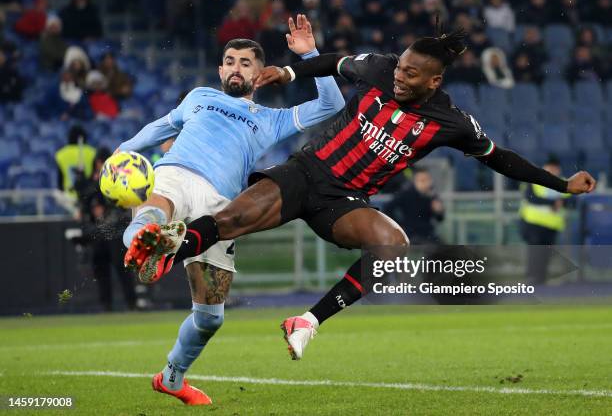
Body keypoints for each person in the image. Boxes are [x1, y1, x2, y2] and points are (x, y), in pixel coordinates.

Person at [129, 28, 596, 361]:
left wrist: (561, 184)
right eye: (402, 67)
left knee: (393, 248)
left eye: (412, 74)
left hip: (343, 200)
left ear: (434, 82)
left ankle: (307, 323)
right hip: (305, 173)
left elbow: (501, 157)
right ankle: (170, 247)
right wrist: (291, 72)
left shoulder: (451, 122)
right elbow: (334, 62)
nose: (400, 76)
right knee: (229, 221)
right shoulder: (379, 67)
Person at [118, 16, 344, 405]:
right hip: (177, 172)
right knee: (157, 206)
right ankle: (147, 243)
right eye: (230, 61)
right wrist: (122, 154)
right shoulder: (199, 97)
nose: (235, 67)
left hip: (221, 211)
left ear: (260, 74)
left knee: (210, 318)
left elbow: (332, 104)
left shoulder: (272, 120)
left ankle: (171, 378)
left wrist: (310, 55)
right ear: (220, 68)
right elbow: (159, 128)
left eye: (245, 63)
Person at [73, 147, 136, 311]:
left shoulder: (117, 181)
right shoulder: (93, 182)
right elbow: (85, 202)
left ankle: (131, 303)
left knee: (122, 270)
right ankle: (107, 304)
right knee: (101, 270)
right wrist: (81, 185)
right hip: (99, 233)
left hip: (114, 233)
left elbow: (122, 207)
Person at [519, 157, 571, 285]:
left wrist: (562, 202)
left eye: (555, 168)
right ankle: (532, 278)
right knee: (535, 251)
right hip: (533, 223)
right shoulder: (534, 181)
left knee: (546, 253)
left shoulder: (564, 183)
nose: (553, 171)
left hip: (552, 225)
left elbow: (571, 200)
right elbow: (531, 198)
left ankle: (541, 279)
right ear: (545, 167)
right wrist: (554, 202)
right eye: (550, 168)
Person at [384, 167, 444, 245]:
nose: (425, 183)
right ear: (415, 181)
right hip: (411, 234)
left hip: (428, 234)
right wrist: (399, 225)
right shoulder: (405, 194)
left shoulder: (432, 196)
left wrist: (439, 211)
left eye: (427, 180)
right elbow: (387, 209)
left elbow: (440, 219)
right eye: (422, 180)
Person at [55, 125, 96, 198]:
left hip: (68, 197)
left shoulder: (60, 154)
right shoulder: (92, 152)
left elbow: (60, 182)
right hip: (88, 195)